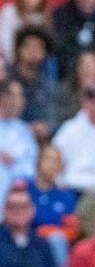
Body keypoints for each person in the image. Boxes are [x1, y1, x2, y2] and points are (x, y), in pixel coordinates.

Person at [27, 144, 77, 267]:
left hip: (52, 246)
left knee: (57, 240)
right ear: (38, 162)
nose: (53, 165)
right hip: (26, 242)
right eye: (49, 159)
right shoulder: (24, 189)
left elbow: (72, 230)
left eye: (57, 161)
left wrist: (47, 231)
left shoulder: (65, 197)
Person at [10, 26, 56, 141]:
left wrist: (46, 126)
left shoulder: (47, 84)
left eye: (38, 47)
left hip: (39, 140)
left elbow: (53, 117)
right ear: (19, 49)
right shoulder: (6, 81)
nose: (33, 51)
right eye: (29, 46)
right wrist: (24, 128)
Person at [0, 79, 38, 211]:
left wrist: (13, 162)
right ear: (4, 98)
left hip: (16, 200)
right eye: (17, 96)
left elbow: (30, 170)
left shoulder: (24, 132)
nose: (22, 101)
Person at [56, 50, 95, 125]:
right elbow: (60, 116)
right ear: (77, 68)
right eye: (83, 64)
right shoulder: (65, 89)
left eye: (92, 64)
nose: (87, 68)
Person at [0, 0, 51, 64]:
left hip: (36, 64)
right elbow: (4, 40)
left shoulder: (44, 19)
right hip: (9, 60)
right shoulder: (8, 12)